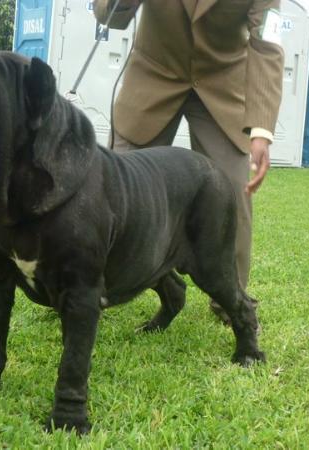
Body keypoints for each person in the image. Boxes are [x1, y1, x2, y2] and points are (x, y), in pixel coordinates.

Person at [94, 0, 284, 322]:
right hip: (153, 76)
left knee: (235, 193)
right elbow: (110, 16)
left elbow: (267, 44)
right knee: (115, 190)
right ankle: (84, 284)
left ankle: (231, 301)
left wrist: (261, 130)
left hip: (222, 84)